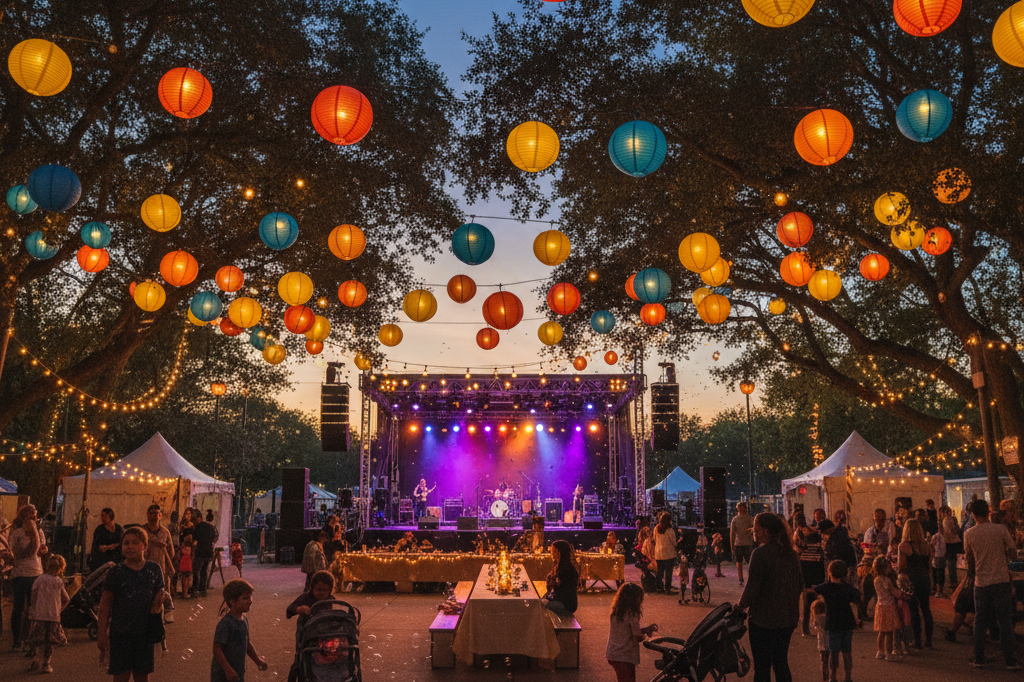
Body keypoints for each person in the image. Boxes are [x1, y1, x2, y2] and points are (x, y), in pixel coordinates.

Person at [97, 527, 168, 682]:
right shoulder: (116, 572)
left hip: (145, 633)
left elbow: (159, 601)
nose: (129, 547)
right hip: (121, 634)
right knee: (121, 676)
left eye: (135, 543)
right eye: (126, 543)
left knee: (142, 676)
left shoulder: (154, 570)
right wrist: (102, 633)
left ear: (144, 546)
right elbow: (104, 605)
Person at [738, 513, 802, 682]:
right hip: (787, 619)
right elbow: (799, 586)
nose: (754, 532)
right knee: (781, 662)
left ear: (764, 531)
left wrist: (740, 606)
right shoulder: (791, 554)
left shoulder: (760, 554)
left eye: (756, 528)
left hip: (763, 620)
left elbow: (752, 587)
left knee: (762, 666)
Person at [963, 498, 1019, 670]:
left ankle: (979, 658)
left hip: (981, 581)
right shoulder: (1000, 529)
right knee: (1005, 620)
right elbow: (1013, 554)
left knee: (980, 620)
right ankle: (1010, 660)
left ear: (973, 514)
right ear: (988, 512)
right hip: (1001, 579)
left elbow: (969, 560)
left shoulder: (969, 534)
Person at [212, 579, 268, 682]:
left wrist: (257, 660)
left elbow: (246, 643)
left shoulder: (244, 620)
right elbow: (217, 649)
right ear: (233, 602)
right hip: (223, 674)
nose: (250, 601)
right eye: (245, 598)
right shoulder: (226, 623)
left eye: (250, 597)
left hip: (238, 670)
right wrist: (228, 670)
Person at [813, 560, 860, 682]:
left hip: (833, 622)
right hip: (847, 621)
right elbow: (857, 596)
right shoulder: (847, 588)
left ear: (830, 573)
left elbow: (813, 589)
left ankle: (833, 676)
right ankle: (848, 676)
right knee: (847, 651)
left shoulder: (826, 587)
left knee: (834, 651)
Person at [10, 503, 48, 651]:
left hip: (35, 572)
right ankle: (17, 640)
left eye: (35, 516)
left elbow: (40, 551)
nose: (34, 520)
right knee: (18, 607)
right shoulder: (17, 532)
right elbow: (18, 554)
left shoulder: (39, 531)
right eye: (30, 516)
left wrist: (43, 549)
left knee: (32, 609)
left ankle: (29, 639)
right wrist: (32, 538)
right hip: (20, 574)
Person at [286, 571, 336, 682]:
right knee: (302, 657)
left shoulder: (330, 599)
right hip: (305, 633)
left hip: (322, 633)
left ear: (330, 590)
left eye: (325, 590)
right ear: (312, 588)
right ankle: (295, 675)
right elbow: (289, 609)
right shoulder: (306, 597)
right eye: (319, 590)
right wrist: (299, 609)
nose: (321, 593)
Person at [605, 582, 658, 682]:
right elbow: (637, 636)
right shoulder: (631, 613)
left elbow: (627, 631)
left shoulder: (616, 612)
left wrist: (644, 630)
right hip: (624, 655)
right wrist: (646, 634)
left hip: (613, 653)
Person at [27, 554, 70, 673]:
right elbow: (66, 599)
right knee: (50, 642)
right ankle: (46, 663)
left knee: (39, 640)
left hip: (40, 615)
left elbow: (34, 595)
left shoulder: (40, 579)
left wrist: (33, 608)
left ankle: (37, 660)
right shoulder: (59, 582)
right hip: (53, 616)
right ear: (61, 568)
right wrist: (60, 609)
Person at [897, 518, 934, 648]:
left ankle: (917, 641)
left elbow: (902, 565)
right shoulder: (927, 546)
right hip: (924, 579)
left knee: (914, 611)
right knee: (926, 609)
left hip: (911, 580)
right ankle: (929, 641)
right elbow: (929, 565)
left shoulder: (904, 546)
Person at [793, 512, 825, 636]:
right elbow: (822, 549)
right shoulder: (815, 532)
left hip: (805, 568)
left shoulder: (798, 534)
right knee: (818, 596)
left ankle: (806, 628)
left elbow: (798, 550)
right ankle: (818, 625)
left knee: (807, 599)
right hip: (817, 567)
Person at [142, 505, 175, 609]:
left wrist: (165, 560)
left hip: (161, 569)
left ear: (160, 515)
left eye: (156, 513)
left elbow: (171, 550)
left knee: (161, 594)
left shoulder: (165, 532)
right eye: (151, 513)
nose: (154, 516)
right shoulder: (142, 531)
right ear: (147, 515)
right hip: (144, 568)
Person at [872, 555, 903, 661]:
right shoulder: (886, 580)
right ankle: (888, 653)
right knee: (889, 632)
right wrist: (902, 594)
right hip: (888, 606)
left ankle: (880, 651)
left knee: (881, 631)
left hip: (880, 606)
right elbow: (893, 591)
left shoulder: (876, 580)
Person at [543, 540, 579, 616]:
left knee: (541, 606)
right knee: (539, 602)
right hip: (558, 599)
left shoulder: (567, 570)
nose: (552, 553)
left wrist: (548, 599)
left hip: (566, 604)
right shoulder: (557, 565)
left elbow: (562, 593)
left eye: (554, 551)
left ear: (560, 553)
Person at [192, 510, 218, 598]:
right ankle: (203, 589)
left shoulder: (197, 527)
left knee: (196, 570)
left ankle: (195, 589)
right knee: (204, 570)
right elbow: (214, 537)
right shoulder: (211, 527)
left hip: (200, 551)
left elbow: (194, 540)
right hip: (208, 551)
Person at [730, 502, 755, 587]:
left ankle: (741, 579)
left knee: (739, 562)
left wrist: (732, 546)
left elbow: (732, 534)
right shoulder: (750, 518)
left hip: (739, 543)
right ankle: (749, 577)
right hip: (746, 543)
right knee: (748, 561)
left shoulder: (735, 519)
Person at [653, 512, 677, 594]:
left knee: (660, 571)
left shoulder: (656, 529)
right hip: (669, 553)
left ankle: (659, 587)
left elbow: (654, 539)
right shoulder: (670, 531)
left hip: (658, 553)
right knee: (668, 572)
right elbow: (674, 542)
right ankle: (667, 588)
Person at [939, 504, 962, 593]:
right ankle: (954, 580)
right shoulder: (952, 519)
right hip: (955, 542)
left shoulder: (946, 520)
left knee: (950, 562)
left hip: (949, 542)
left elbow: (948, 532)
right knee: (952, 561)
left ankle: (953, 581)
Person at [811, 598, 828, 682]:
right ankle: (830, 675)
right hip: (829, 641)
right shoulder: (827, 617)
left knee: (823, 660)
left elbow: (814, 627)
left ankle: (824, 675)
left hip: (821, 642)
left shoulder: (817, 618)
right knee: (829, 659)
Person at [930, 524, 946, 597]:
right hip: (940, 556)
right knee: (940, 573)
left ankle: (938, 590)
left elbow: (931, 544)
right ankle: (939, 590)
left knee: (938, 573)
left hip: (938, 556)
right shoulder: (941, 536)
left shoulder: (938, 536)